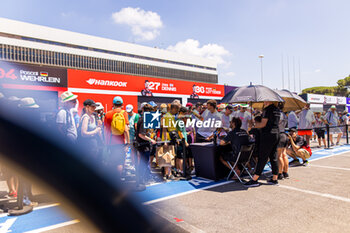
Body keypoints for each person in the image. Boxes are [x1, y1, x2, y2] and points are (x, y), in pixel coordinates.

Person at [244, 101, 280, 187]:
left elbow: (263, 124)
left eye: (265, 100)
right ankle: (275, 179)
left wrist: (252, 125)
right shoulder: (277, 109)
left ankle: (255, 179)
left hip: (268, 134)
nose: (264, 101)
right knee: (273, 156)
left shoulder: (267, 109)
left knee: (262, 156)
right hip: (276, 133)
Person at [104, 96, 130, 177]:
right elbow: (126, 130)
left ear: (113, 104)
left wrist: (105, 141)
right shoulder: (123, 113)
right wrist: (128, 143)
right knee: (119, 162)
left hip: (109, 141)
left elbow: (105, 129)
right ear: (122, 104)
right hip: (120, 142)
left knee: (111, 161)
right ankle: (118, 180)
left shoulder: (107, 114)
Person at [135, 104, 157, 189]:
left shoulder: (142, 118)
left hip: (143, 144)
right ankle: (141, 181)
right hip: (143, 145)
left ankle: (142, 180)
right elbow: (141, 134)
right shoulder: (144, 119)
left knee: (143, 163)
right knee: (143, 163)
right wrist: (151, 140)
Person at [277, 104, 289, 180]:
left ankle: (280, 173)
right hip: (284, 134)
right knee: (284, 154)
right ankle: (285, 172)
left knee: (279, 156)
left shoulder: (279, 114)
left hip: (280, 134)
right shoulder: (284, 114)